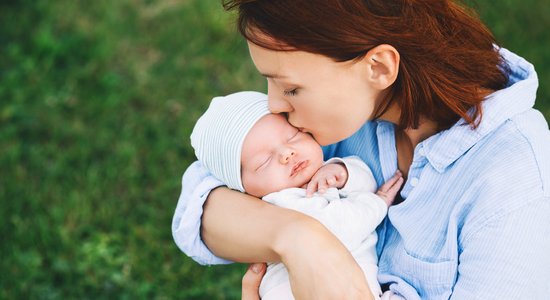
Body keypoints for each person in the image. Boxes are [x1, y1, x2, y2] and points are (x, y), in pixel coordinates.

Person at [172, 0, 550, 299]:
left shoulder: (514, 177)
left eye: (291, 89)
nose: (273, 107)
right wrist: (301, 240)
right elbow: (200, 202)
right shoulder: (332, 122)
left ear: (379, 67)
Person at [188, 91, 404, 299]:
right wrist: (377, 202)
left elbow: (365, 180)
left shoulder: (322, 170)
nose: (286, 154)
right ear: (244, 189)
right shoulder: (282, 203)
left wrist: (344, 171)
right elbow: (339, 230)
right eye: (263, 163)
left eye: (292, 136)